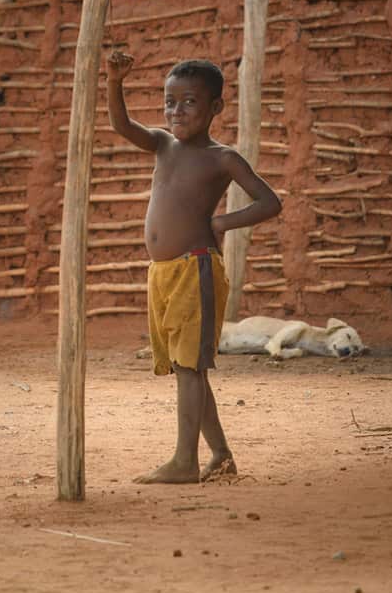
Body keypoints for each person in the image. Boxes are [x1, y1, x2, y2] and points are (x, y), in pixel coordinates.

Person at [106, 51, 282, 484]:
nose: (176, 111)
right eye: (169, 102)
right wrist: (114, 81)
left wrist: (222, 222)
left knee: (189, 367)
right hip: (163, 274)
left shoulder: (222, 158)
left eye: (189, 102)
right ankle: (219, 455)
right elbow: (121, 126)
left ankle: (185, 461)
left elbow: (269, 202)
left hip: (195, 269)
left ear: (215, 108)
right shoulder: (163, 144)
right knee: (189, 368)